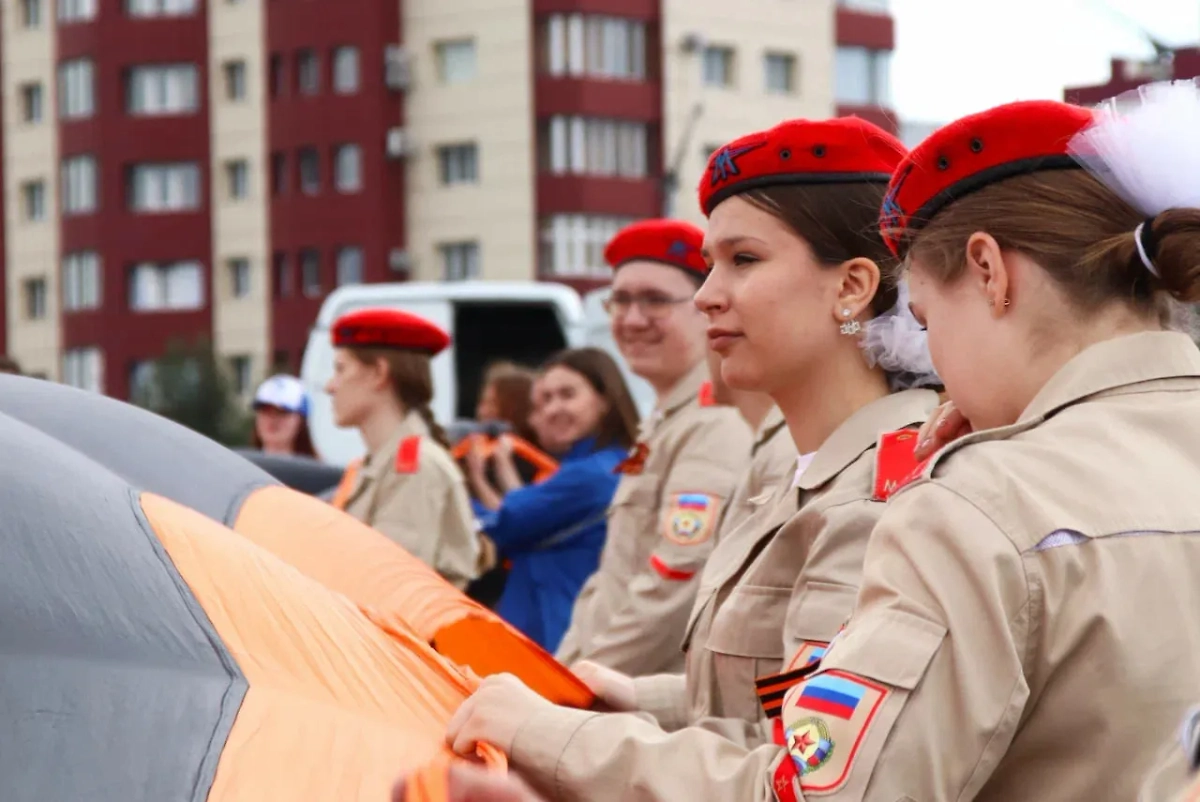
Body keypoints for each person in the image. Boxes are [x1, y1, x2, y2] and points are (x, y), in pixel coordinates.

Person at [446, 116, 943, 799]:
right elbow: (781, 701)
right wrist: (639, 698)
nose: (706, 295)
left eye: (744, 260)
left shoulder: (881, 499)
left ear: (852, 287)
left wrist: (553, 735)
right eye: (712, 263)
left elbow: (808, 775)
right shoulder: (815, 468)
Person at [553, 218, 753, 678]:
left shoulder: (715, 422)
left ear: (706, 307)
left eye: (655, 301)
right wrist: (559, 671)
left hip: (643, 697)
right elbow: (609, 583)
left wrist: (578, 685)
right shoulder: (664, 421)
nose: (632, 319)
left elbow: (675, 585)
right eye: (620, 300)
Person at [476, 348, 640, 652]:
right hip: (567, 632)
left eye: (567, 395)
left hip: (556, 637)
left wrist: (466, 481)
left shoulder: (591, 474)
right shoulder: (611, 464)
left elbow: (506, 523)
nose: (553, 410)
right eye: (545, 400)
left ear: (605, 399)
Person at [326, 307, 480, 590]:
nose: (329, 386)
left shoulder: (413, 468)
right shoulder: (381, 464)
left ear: (379, 373)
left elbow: (385, 588)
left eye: (340, 369)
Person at [250, 374, 318, 458]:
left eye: (282, 412)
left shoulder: (315, 466)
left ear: (301, 421)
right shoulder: (240, 463)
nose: (272, 419)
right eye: (265, 411)